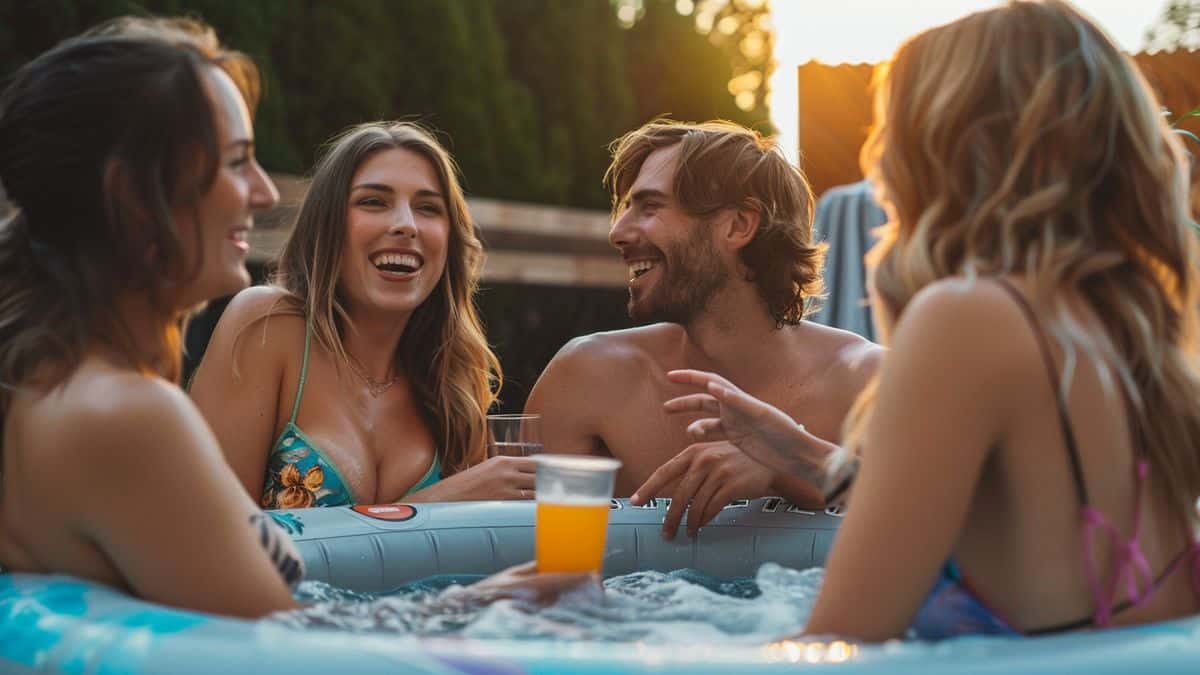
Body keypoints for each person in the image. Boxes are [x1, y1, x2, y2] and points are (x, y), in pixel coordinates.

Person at [665, 0, 1200, 641]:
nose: (878, 155)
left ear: (941, 144)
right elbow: (1008, 519)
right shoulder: (1127, 323)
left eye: (891, 125)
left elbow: (838, 641)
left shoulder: (970, 318)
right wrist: (801, 453)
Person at [525, 120, 883, 538]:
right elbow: (501, 549)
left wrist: (790, 467)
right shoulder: (588, 379)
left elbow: (942, 527)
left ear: (737, 226)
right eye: (626, 208)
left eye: (650, 206)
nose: (618, 232)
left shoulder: (865, 382)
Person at [189, 122, 532, 508]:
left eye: (428, 208)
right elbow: (207, 530)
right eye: (373, 202)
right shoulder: (267, 326)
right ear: (328, 224)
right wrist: (434, 503)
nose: (406, 224)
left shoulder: (454, 382)